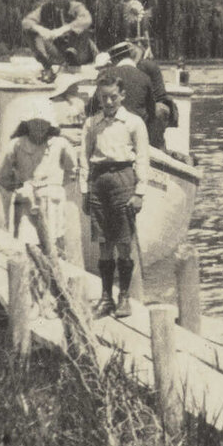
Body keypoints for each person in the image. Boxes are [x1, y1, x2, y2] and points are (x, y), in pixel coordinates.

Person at [81, 76, 148, 318]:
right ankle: (106, 297)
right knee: (103, 242)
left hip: (123, 180)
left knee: (123, 241)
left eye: (113, 97)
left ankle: (124, 297)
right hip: (98, 182)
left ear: (122, 96)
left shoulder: (133, 123)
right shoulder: (91, 124)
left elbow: (142, 158)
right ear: (98, 98)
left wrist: (139, 192)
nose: (108, 102)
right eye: (103, 97)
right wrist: (85, 191)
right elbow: (84, 158)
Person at [0, 115, 79, 257]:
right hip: (26, 201)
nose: (39, 127)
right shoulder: (16, 145)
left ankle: (55, 273)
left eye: (43, 123)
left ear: (50, 124)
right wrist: (19, 186)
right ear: (27, 124)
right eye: (34, 123)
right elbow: (2, 174)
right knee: (27, 243)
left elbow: (73, 170)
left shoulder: (61, 144)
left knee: (54, 243)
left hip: (53, 202)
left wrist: (56, 186)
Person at [87, 39, 169, 151]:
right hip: (137, 130)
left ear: (115, 59)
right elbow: (151, 110)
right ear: (131, 57)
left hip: (111, 129)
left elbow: (93, 106)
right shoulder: (144, 77)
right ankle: (158, 150)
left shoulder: (107, 74)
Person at [22, 0, 96, 77]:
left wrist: (63, 29)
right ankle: (47, 67)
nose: (59, 1)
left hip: (79, 51)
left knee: (82, 30)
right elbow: (26, 22)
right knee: (31, 32)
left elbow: (87, 20)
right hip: (58, 51)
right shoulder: (45, 9)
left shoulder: (77, 7)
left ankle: (74, 62)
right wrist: (41, 29)